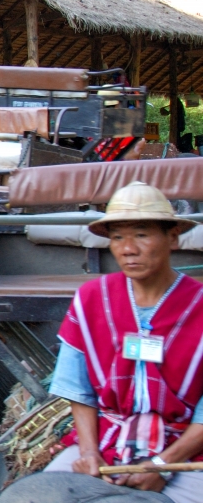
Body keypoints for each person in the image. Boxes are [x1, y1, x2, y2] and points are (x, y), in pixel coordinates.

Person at [42, 181, 203, 501]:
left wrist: (162, 465)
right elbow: (78, 388)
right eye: (118, 237)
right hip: (106, 445)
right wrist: (88, 453)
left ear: (172, 237)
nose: (128, 248)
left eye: (141, 234)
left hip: (186, 452)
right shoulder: (90, 299)